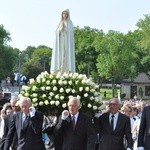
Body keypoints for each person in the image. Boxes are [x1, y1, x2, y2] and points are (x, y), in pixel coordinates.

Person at [50, 9, 75, 74]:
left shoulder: (70, 22)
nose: (65, 15)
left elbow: (71, 33)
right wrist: (61, 29)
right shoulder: (59, 22)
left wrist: (66, 29)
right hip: (60, 41)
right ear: (62, 14)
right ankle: (58, 71)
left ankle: (67, 71)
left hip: (67, 41)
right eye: (64, 14)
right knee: (60, 55)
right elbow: (56, 32)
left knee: (66, 55)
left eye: (66, 14)